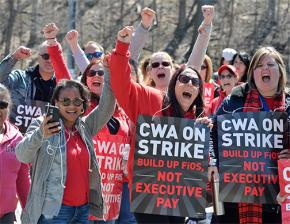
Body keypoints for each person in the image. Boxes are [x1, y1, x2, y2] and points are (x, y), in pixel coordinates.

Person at [110, 5, 214, 223]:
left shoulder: (195, 118)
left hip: (179, 195)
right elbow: (121, 83)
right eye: (183, 79)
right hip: (149, 192)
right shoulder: (150, 98)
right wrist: (123, 47)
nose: (189, 83)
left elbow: (194, 65)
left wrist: (204, 139)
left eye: (194, 82)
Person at [15, 38, 116, 223]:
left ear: (83, 105)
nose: (72, 106)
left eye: (77, 101)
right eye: (65, 101)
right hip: (53, 211)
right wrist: (40, 135)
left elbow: (106, 107)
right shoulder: (43, 124)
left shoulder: (84, 127)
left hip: (82, 210)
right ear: (55, 103)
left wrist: (109, 71)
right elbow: (22, 155)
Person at [209, 46, 290, 224]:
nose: (265, 69)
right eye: (259, 65)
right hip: (234, 200)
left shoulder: (289, 106)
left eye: (271, 64)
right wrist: (214, 161)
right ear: (253, 72)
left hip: (277, 201)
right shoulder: (233, 101)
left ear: (280, 70)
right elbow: (212, 134)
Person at [0, 42, 69, 133]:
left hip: (47, 142)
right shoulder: (20, 78)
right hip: (16, 140)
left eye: (54, 57)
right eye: (45, 56)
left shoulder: (62, 87)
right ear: (38, 57)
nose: (50, 60)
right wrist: (15, 57)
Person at [0, 83, 30, 224]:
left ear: (9, 107)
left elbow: (23, 181)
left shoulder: (18, 138)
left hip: (7, 216)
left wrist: (30, 213)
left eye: (3, 105)